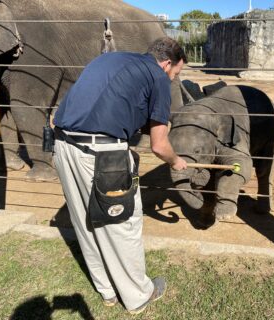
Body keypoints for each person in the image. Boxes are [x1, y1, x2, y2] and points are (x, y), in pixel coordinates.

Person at [52, 37, 188, 315]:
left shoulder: (108, 58)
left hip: (63, 145)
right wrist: (175, 161)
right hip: (103, 155)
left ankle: (107, 291)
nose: (173, 80)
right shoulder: (158, 76)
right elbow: (159, 145)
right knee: (123, 222)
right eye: (176, 74)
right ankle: (139, 295)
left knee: (86, 222)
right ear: (166, 64)